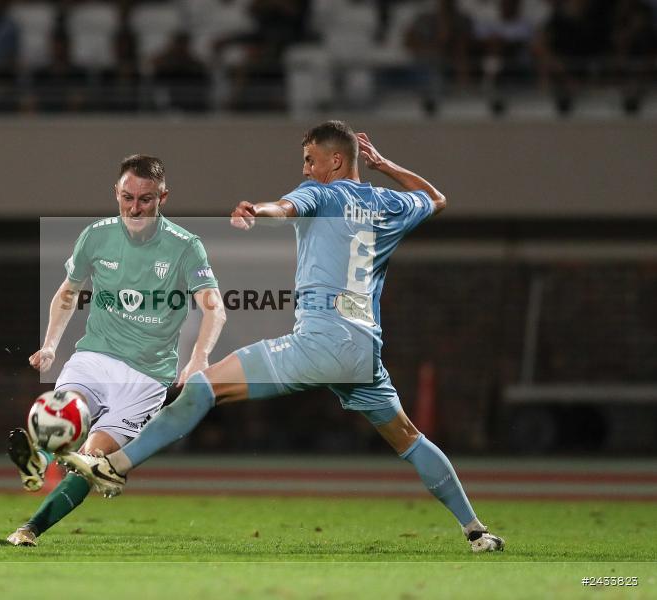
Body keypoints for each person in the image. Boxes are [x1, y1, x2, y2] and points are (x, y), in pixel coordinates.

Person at [63, 121, 505, 554]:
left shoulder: (322, 191)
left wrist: (258, 211)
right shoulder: (390, 203)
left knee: (201, 388)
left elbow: (286, 206)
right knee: (409, 438)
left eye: (311, 160)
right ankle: (475, 530)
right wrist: (385, 164)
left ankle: (116, 466)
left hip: (317, 342)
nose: (306, 169)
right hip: (362, 352)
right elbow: (435, 198)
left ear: (335, 160)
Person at [6, 155, 226, 546]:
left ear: (163, 197)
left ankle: (30, 528)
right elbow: (67, 292)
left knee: (94, 460)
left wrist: (198, 359)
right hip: (95, 356)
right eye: (127, 197)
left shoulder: (186, 247)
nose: (135, 208)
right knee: (62, 409)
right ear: (116, 193)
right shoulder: (95, 235)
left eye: (146, 200)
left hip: (145, 379)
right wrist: (50, 345)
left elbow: (215, 309)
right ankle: (38, 459)